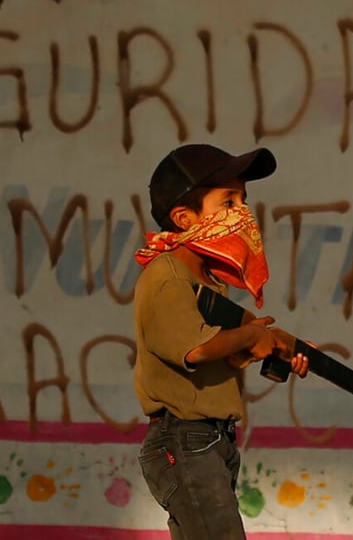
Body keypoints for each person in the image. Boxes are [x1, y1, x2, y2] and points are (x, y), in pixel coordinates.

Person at [132, 143, 309, 539]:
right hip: (184, 438)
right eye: (227, 202)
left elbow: (228, 350)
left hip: (211, 440)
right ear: (183, 217)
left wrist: (283, 347)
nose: (241, 214)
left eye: (242, 200)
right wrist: (250, 335)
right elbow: (196, 348)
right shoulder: (169, 277)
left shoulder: (205, 284)